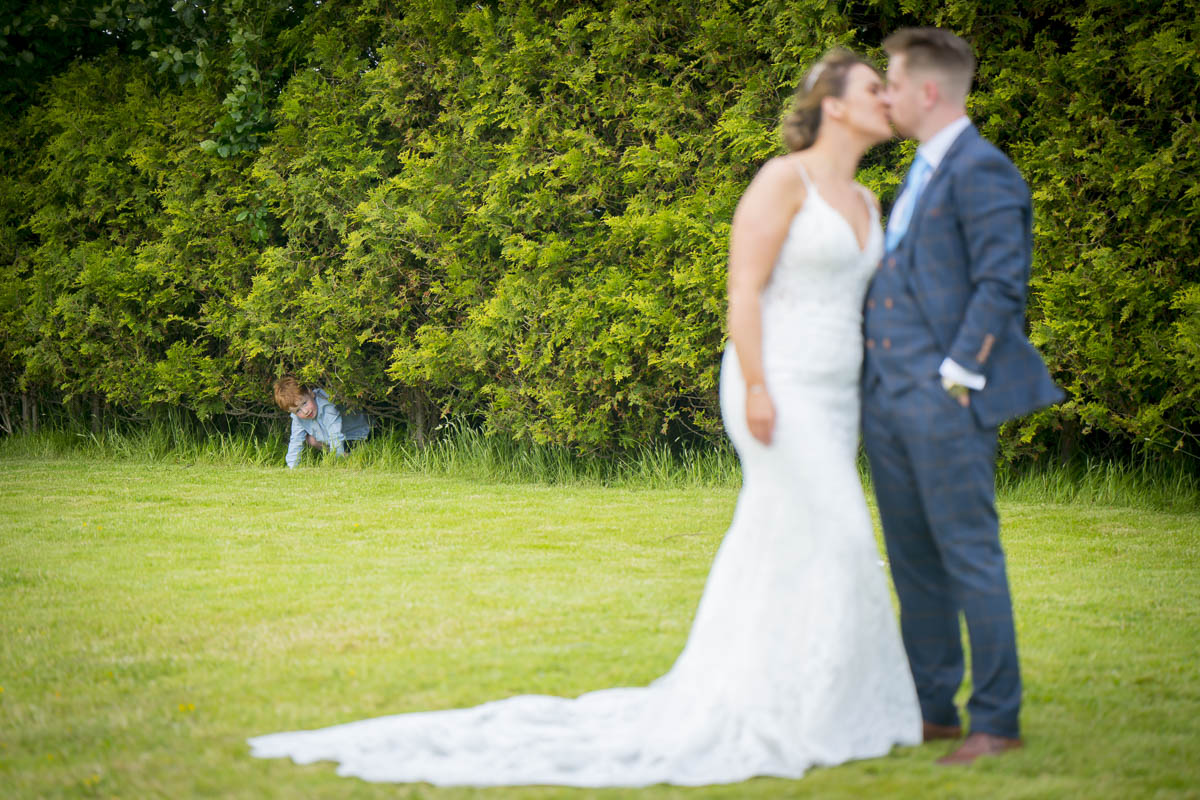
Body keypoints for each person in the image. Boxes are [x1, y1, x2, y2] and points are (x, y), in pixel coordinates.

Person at [247, 49, 922, 785]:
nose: (887, 99)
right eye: (872, 88)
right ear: (833, 104)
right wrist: (759, 387)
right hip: (775, 380)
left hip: (836, 391)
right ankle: (778, 701)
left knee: (807, 533)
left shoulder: (865, 200)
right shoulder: (781, 181)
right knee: (840, 526)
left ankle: (813, 695)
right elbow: (743, 292)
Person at [862, 28, 1063, 766]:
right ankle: (932, 711)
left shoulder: (984, 171)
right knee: (914, 561)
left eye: (890, 80)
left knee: (970, 557)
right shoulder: (917, 172)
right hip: (886, 402)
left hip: (943, 400)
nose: (883, 93)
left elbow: (1001, 286)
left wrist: (956, 379)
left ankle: (997, 719)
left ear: (928, 90)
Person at [273, 376, 371, 469]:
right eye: (298, 410)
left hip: (356, 435)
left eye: (305, 403)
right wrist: (292, 467)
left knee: (341, 446)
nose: (305, 411)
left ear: (310, 393)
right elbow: (296, 441)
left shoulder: (327, 406)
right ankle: (343, 455)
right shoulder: (297, 417)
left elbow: (336, 435)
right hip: (336, 439)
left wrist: (337, 462)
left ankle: (345, 456)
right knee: (310, 439)